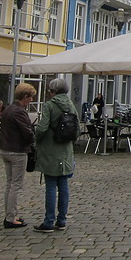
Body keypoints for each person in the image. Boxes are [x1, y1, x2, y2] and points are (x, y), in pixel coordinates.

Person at [33, 78, 77, 233]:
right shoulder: (71, 104)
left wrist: (36, 140)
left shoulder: (50, 105)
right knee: (63, 185)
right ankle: (62, 220)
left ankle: (49, 221)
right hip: (66, 149)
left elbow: (42, 127)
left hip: (51, 149)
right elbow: (76, 128)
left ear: (53, 91)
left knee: (51, 185)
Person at [0, 83, 36, 229]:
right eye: (31, 97)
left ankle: (10, 214)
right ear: (25, 97)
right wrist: (33, 137)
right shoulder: (19, 111)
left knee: (9, 184)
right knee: (16, 185)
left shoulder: (8, 109)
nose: (31, 100)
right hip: (17, 150)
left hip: (6, 149)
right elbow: (27, 132)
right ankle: (11, 217)